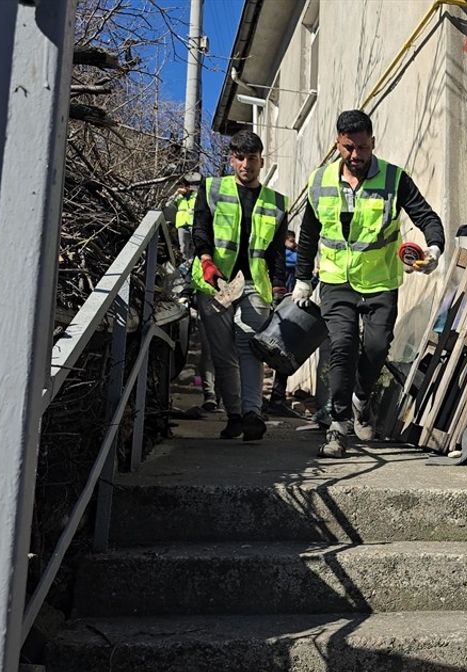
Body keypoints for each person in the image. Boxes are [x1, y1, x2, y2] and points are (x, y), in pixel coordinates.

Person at [293, 109, 445, 458]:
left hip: (379, 282)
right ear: (338, 144)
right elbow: (307, 236)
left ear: (372, 142)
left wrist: (433, 247)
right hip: (336, 280)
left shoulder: (394, 179)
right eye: (349, 148)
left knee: (376, 348)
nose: (356, 156)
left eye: (362, 147)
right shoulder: (320, 182)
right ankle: (339, 426)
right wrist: (303, 280)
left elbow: (426, 216)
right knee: (342, 346)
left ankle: (362, 397)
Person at [190, 129, 290, 441]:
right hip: (216, 282)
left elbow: (276, 251)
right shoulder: (212, 188)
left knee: (251, 348)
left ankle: (251, 414)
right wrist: (206, 260)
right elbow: (200, 228)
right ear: (232, 159)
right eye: (240, 157)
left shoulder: (276, 202)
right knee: (222, 353)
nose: (246, 164)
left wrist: (277, 289)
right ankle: (234, 415)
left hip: (253, 285)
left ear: (262, 160)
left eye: (252, 158)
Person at [173, 172, 219, 414]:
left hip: (227, 290)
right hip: (205, 294)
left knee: (228, 349)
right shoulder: (182, 201)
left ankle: (230, 399)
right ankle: (211, 395)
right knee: (210, 348)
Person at [266, 230, 299, 417]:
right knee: (282, 350)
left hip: (286, 302)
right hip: (278, 300)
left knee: (281, 350)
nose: (293, 243)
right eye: (291, 241)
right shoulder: (285, 254)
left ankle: (275, 399)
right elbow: (292, 260)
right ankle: (276, 399)